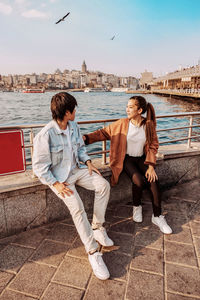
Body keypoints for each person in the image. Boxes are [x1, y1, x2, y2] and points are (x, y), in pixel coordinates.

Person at [32, 92, 114, 280]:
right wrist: (56, 184)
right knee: (77, 209)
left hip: (77, 170)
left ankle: (98, 227)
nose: (76, 111)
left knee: (103, 185)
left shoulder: (74, 126)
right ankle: (93, 252)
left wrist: (88, 162)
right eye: (74, 109)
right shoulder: (45, 135)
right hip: (60, 178)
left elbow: (80, 149)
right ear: (67, 112)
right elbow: (39, 167)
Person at [84, 96, 172, 234]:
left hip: (142, 158)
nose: (127, 109)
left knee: (154, 181)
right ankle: (137, 208)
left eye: (130, 107)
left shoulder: (148, 125)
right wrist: (85, 138)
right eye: (127, 106)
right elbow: (103, 133)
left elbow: (153, 146)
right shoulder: (122, 124)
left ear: (139, 110)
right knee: (138, 180)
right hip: (126, 159)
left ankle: (157, 216)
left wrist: (150, 166)